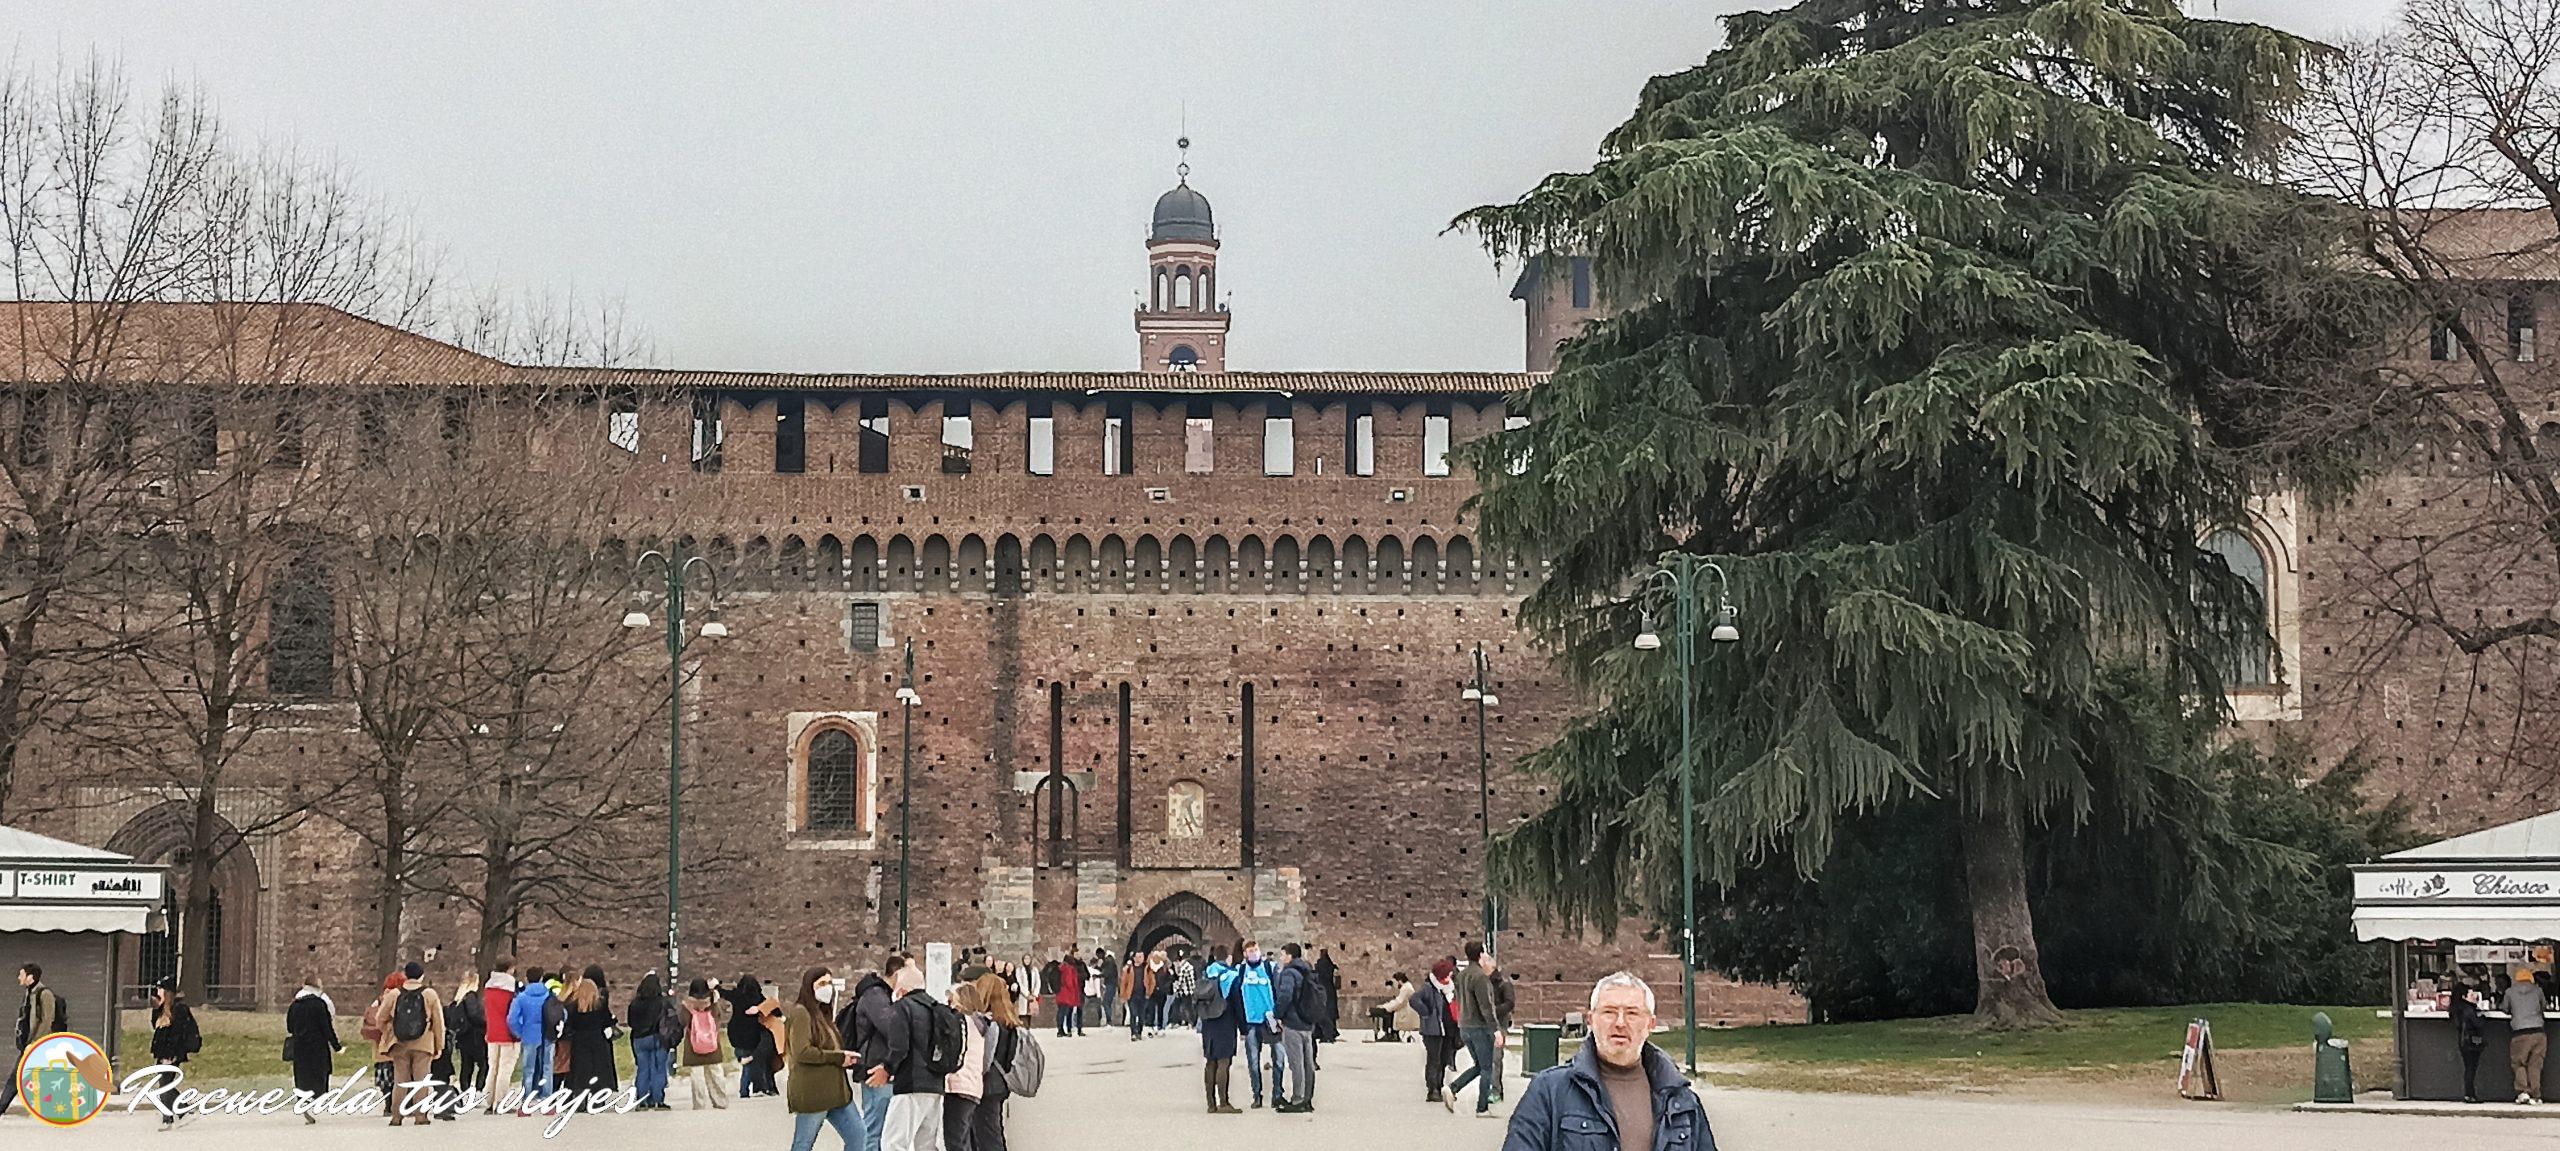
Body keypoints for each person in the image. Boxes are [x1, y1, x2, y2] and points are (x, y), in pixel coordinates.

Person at [1502, 972, 1716, 1151]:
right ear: (1591, 1020)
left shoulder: (1680, 1100)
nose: (1620, 1023)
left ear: (1650, 1024)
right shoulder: (1549, 1091)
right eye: (1609, 1012)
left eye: (1632, 1013)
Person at [785, 967, 862, 1151]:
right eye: (821, 984)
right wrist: (838, 1057)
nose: (827, 988)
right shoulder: (801, 1013)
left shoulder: (823, 1015)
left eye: (829, 983)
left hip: (837, 1094)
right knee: (803, 1144)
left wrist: (845, 1057)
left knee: (859, 1137)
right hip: (814, 1093)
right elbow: (802, 1052)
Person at [882, 964, 947, 1151]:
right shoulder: (937, 1008)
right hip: (935, 1084)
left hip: (910, 1083)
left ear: (901, 990)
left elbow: (899, 1048)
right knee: (926, 1144)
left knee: (893, 1142)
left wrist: (887, 1068)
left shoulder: (902, 1008)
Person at [372, 962, 445, 1126]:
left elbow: (380, 1019)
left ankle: (396, 1116)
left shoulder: (394, 994)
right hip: (423, 1043)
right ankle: (421, 1116)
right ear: (421, 975)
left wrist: (390, 1032)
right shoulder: (429, 994)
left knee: (400, 1080)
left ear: (405, 975)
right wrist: (438, 1045)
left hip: (400, 1043)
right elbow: (438, 1022)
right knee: (421, 1080)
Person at [848, 954, 907, 1148]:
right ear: (898, 974)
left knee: (883, 1127)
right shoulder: (876, 995)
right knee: (875, 1128)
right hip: (874, 1065)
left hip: (880, 1064)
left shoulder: (882, 995)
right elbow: (890, 1027)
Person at [967, 973, 1025, 1151]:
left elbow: (985, 1058)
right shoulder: (1010, 1023)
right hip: (1000, 1083)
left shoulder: (990, 1025)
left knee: (986, 1137)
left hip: (986, 1084)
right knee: (992, 1132)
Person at [1449, 943, 1503, 1116]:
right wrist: (1495, 1028)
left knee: (1479, 1065)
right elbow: (1485, 1005)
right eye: (1485, 952)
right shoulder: (1480, 977)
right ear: (1480, 955)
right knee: (1487, 1067)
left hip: (1464, 1025)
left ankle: (1454, 1088)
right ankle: (1482, 1107)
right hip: (1479, 1026)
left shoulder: (1462, 975)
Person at [0, 963, 60, 1117]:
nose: (19, 978)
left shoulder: (44, 994)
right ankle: (55, 1109)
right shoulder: (30, 993)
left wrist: (34, 1043)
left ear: (30, 977)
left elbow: (47, 1020)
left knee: (16, 1078)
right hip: (28, 1045)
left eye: (21, 974)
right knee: (38, 1077)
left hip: (38, 1045)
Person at [284, 976, 341, 1123]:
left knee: (302, 1076)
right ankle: (317, 1102)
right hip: (318, 1046)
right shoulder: (319, 1004)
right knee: (319, 1075)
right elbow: (326, 1027)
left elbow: (289, 1026)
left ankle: (304, 1102)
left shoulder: (295, 1005)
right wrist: (336, 1045)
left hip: (300, 1047)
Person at [1234, 940, 1283, 1107]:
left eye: (1255, 949)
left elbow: (1278, 991)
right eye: (1250, 950)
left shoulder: (1269, 968)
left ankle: (1278, 1093)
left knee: (1279, 1059)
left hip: (1270, 1019)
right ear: (1245, 954)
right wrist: (1241, 1024)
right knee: (1253, 1061)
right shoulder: (1241, 971)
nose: (1253, 953)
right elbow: (1236, 997)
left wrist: (1280, 1015)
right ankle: (1257, 1095)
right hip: (1251, 1021)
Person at [1272, 943, 1320, 1113]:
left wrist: (1277, 1014)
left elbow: (1285, 995)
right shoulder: (1307, 971)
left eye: (1283, 954)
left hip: (1293, 1022)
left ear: (1290, 956)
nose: (1281, 958)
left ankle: (1297, 1099)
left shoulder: (1289, 972)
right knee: (1308, 1063)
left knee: (1296, 1063)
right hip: (1308, 1022)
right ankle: (1307, 1098)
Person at [148, 977, 202, 1127]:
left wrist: (172, 1055)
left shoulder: (179, 1009)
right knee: (164, 1085)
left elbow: (179, 1033)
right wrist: (157, 1008)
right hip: (161, 1052)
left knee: (165, 1084)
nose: (158, 992)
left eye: (161, 990)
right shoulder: (161, 1009)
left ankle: (183, 1111)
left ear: (168, 992)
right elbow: (156, 1028)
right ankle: (169, 1118)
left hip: (172, 1054)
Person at [1195, 944, 1243, 1114]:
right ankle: (1224, 1102)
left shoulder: (1206, 973)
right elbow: (1237, 1001)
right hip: (1225, 1019)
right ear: (1227, 957)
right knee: (1224, 1060)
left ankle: (1210, 1103)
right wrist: (1243, 1026)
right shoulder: (1231, 975)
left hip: (1208, 1020)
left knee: (1210, 1061)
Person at [942, 982, 989, 1151]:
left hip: (959, 1084)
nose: (950, 1005)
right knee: (963, 1139)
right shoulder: (978, 1024)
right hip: (972, 1085)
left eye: (952, 1001)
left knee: (955, 1140)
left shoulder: (963, 1023)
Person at [563, 969, 619, 1106]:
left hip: (579, 1040)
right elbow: (607, 1021)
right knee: (597, 1070)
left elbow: (569, 1024)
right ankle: (597, 1100)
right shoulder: (599, 1005)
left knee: (581, 1071)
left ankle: (580, 1100)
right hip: (597, 1039)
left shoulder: (573, 1006)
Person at [677, 977, 733, 1110]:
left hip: (694, 1044)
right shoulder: (713, 1003)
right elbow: (722, 1014)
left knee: (697, 1076)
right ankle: (720, 1101)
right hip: (712, 1043)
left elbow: (683, 1021)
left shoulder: (687, 1005)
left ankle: (699, 1103)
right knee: (716, 1073)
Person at [507, 966, 557, 1110]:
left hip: (529, 1034)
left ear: (527, 979)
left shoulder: (522, 997)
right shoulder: (549, 995)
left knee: (528, 1068)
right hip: (548, 1034)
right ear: (541, 978)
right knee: (547, 1067)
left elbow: (512, 1019)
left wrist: (519, 1032)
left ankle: (527, 1099)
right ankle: (547, 1099)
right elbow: (562, 1013)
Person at [627, 971, 673, 1110]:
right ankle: (657, 1099)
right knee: (658, 1069)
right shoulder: (662, 1002)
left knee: (643, 1070)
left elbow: (630, 1022)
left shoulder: (634, 1003)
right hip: (657, 1037)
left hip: (639, 1039)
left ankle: (642, 1100)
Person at [480, 959, 521, 1115]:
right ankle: (501, 1101)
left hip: (492, 1031)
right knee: (506, 1068)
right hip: (508, 1032)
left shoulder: (488, 985)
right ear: (510, 968)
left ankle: (490, 1101)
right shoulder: (512, 987)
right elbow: (514, 1013)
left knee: (493, 1068)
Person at [725, 974, 775, 1098]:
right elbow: (772, 1006)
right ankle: (752, 1088)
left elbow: (724, 993)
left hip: (736, 1033)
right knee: (752, 1062)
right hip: (753, 1034)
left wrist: (715, 986)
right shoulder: (758, 997)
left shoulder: (737, 996)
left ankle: (744, 1089)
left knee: (746, 1062)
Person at [1416, 958, 1458, 1103]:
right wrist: (1426, 1013)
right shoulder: (1429, 988)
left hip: (1448, 1030)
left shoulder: (1451, 988)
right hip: (1433, 1031)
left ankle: (1439, 1087)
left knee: (1444, 1060)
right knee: (1434, 1060)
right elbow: (1415, 1000)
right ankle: (1432, 1089)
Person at [2508, 969, 2548, 1106]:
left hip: (2520, 1032)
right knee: (2535, 1065)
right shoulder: (2538, 991)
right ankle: (2536, 1095)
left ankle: (2523, 1092)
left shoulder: (2510, 992)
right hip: (2539, 1032)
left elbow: (2505, 1008)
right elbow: (2544, 1007)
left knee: (2519, 1063)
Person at [2450, 968, 2490, 1105]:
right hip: (2471, 1042)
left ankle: (2469, 1094)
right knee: (2471, 1068)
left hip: (2463, 1041)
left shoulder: (2459, 1009)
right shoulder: (2468, 1009)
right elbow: (2478, 1024)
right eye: (2470, 993)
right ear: (2464, 996)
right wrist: (2483, 1016)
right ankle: (2470, 1094)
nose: (2474, 994)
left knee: (2469, 1068)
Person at [449, 974, 487, 1112]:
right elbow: (474, 1015)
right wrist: (486, 1023)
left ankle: (465, 1089)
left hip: (463, 1036)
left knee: (467, 1064)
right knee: (484, 1064)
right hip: (474, 1035)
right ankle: (478, 1089)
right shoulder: (471, 996)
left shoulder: (458, 997)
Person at [1372, 973, 1415, 1042]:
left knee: (1386, 1013)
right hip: (1404, 1008)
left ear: (1399, 981)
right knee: (1387, 1011)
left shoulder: (1405, 988)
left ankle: (1389, 1034)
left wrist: (1385, 1006)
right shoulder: (1407, 986)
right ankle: (1390, 1033)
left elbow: (1399, 1002)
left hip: (1405, 1011)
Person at [1121, 952, 1154, 1042]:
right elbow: (1124, 982)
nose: (1140, 958)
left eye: (1142, 956)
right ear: (1134, 958)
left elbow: (1152, 981)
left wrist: (1149, 992)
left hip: (1143, 994)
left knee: (1141, 1015)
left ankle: (1139, 1032)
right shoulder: (1128, 969)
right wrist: (1123, 994)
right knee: (1133, 1014)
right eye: (1138, 957)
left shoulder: (1147, 968)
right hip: (1132, 994)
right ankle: (1133, 1033)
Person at [1051, 952, 1084, 1038]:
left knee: (1060, 1012)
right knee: (1063, 1012)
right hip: (1066, 994)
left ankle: (1060, 1029)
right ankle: (1060, 1030)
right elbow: (1070, 982)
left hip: (1060, 993)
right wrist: (1074, 993)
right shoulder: (1069, 969)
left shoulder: (1061, 967)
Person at [1314, 948, 1342, 1044]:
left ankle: (1325, 1034)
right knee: (1330, 1012)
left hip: (1322, 990)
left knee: (1324, 1013)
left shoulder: (1320, 964)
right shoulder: (1330, 965)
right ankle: (1331, 1033)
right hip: (1330, 990)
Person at [1169, 950, 1199, 1030]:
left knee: (1182, 1006)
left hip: (1185, 991)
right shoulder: (1189, 966)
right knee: (1187, 1006)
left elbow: (1181, 980)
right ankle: (1189, 1022)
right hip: (1189, 989)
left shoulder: (1184, 968)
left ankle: (1186, 1022)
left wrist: (1176, 989)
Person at [1091, 948, 1118, 1029]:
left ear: (1101, 953)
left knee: (1106, 1003)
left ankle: (1109, 1022)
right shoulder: (1108, 961)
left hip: (1111, 984)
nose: (1098, 958)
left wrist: (1097, 975)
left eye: (1098, 955)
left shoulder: (1108, 961)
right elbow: (1104, 970)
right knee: (1107, 1003)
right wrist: (1097, 968)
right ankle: (1109, 1021)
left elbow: (1106, 973)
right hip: (1110, 984)